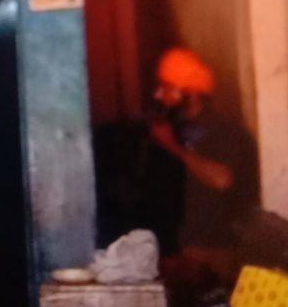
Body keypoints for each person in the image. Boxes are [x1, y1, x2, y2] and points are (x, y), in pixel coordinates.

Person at [95, 47, 258, 281]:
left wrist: (172, 146)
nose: (158, 95)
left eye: (167, 88)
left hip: (209, 255)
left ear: (190, 94)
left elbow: (222, 179)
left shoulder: (225, 132)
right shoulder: (175, 128)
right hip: (173, 252)